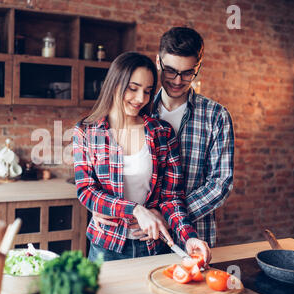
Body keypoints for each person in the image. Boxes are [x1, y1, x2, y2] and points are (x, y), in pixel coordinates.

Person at [93, 27, 234, 249]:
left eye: (188, 72)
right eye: (170, 71)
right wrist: (100, 205)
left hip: (195, 233)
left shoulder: (216, 116)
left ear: (198, 67)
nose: (178, 80)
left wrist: (167, 215)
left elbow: (220, 183)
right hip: (143, 238)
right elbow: (104, 175)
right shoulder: (137, 108)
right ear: (158, 62)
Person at [73, 51, 211, 263]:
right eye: (133, 88)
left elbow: (171, 198)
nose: (141, 99)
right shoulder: (86, 131)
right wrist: (136, 210)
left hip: (153, 246)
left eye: (147, 91)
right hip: (106, 247)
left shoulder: (162, 133)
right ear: (115, 84)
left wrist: (188, 237)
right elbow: (87, 192)